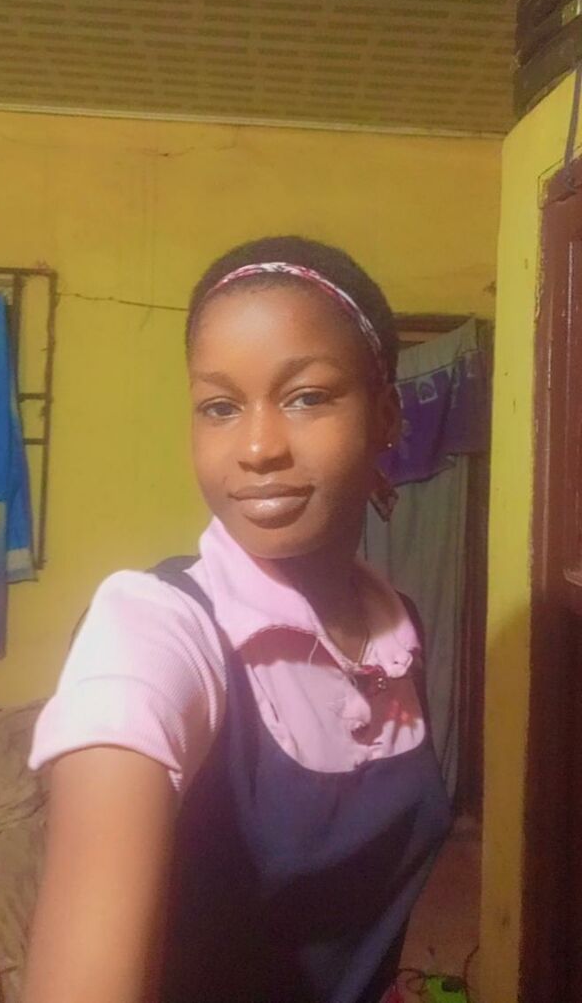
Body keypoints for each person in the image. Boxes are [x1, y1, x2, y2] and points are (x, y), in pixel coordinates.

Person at [23, 236, 452, 1003]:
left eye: (306, 397)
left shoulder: (398, 632)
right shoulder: (152, 630)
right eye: (220, 407)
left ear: (386, 415)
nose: (257, 448)